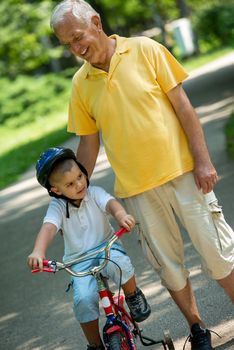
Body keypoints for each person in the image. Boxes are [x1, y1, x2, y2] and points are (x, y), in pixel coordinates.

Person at [50, 1, 234, 349]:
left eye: (77, 38)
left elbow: (183, 106)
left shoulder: (145, 49)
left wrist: (204, 160)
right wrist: (73, 195)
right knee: (168, 267)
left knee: (218, 251)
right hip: (137, 190)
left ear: (96, 22)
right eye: (67, 44)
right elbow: (88, 144)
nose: (76, 48)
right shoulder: (81, 84)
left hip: (184, 174)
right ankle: (197, 328)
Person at [27, 147, 151, 350]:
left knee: (121, 265)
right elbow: (48, 228)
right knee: (83, 300)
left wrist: (121, 216)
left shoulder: (93, 193)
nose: (79, 184)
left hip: (106, 247)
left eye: (80, 176)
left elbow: (111, 204)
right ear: (56, 190)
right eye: (70, 183)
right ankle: (94, 344)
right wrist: (38, 251)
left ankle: (133, 296)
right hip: (78, 260)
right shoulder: (57, 207)